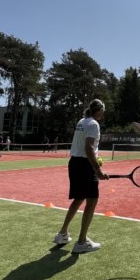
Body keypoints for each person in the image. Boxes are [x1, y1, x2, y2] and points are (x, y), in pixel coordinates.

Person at [53, 99, 109, 253]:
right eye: (103, 111)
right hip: (85, 166)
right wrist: (98, 170)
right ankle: (82, 242)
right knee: (92, 201)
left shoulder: (82, 121)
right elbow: (88, 147)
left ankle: (62, 234)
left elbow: (85, 148)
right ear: (98, 110)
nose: (103, 114)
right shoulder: (93, 124)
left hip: (74, 163)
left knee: (79, 199)